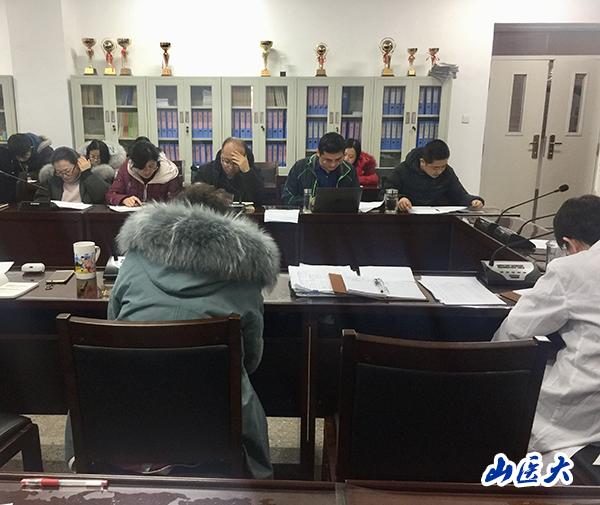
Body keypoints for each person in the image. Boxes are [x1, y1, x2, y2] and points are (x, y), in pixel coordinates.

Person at [106, 183, 280, 478]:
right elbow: (250, 357)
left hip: (127, 408)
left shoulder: (135, 258)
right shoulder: (246, 273)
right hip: (212, 419)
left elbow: (113, 326)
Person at [494, 194, 600, 464]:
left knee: (500, 392)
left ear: (569, 244)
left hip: (581, 413)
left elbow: (515, 332)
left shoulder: (573, 268)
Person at [383, 139, 484, 212]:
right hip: (407, 218)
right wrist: (400, 199)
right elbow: (385, 192)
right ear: (423, 162)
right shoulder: (403, 170)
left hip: (438, 218)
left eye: (443, 166)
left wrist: (474, 201)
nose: (439, 171)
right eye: (435, 168)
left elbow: (459, 195)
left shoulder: (447, 172)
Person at [282, 132, 359, 206]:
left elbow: (355, 200)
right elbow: (287, 198)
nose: (333, 164)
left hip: (339, 214)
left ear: (343, 154)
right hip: (308, 213)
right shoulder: (300, 167)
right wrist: (309, 201)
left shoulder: (349, 170)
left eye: (338, 159)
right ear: (318, 153)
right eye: (328, 160)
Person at [106, 140, 182, 207]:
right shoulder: (126, 169)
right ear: (134, 165)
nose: (147, 171)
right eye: (141, 167)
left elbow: (177, 203)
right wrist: (124, 199)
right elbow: (111, 194)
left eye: (151, 166)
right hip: (131, 215)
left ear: (157, 162)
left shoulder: (169, 172)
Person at [191, 137, 264, 204]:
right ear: (221, 156)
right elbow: (194, 198)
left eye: (235, 163)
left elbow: (261, 200)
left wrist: (247, 172)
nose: (230, 167)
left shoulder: (253, 173)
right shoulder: (206, 171)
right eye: (226, 161)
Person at [34, 147, 110, 204]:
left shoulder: (91, 178)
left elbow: (102, 197)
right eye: (59, 172)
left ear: (78, 165)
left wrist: (87, 174)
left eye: (67, 171)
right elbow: (40, 200)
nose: (64, 176)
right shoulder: (52, 180)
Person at [0, 132, 53, 202]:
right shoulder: (12, 150)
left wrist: (31, 175)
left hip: (41, 192)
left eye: (24, 155)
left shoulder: (46, 152)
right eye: (18, 156)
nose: (21, 159)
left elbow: (50, 177)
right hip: (20, 194)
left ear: (31, 147)